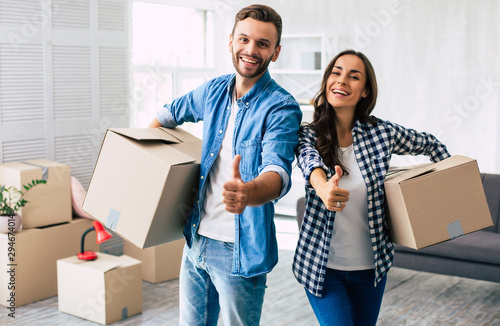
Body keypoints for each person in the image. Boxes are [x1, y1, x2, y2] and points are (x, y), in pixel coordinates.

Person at [149, 4, 302, 326]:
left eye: (262, 44)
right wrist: (146, 165)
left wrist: (249, 192)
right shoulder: (214, 90)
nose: (251, 50)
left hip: (239, 250)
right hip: (196, 238)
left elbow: (278, 172)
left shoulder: (282, 106)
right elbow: (167, 115)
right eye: (244, 39)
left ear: (275, 52)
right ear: (231, 41)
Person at [293, 49, 450, 326]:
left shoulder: (382, 134)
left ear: (365, 91)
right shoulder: (308, 134)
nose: (341, 81)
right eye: (336, 72)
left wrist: (443, 196)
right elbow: (309, 163)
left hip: (371, 268)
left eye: (353, 77)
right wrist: (322, 187)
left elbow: (432, 144)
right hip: (321, 268)